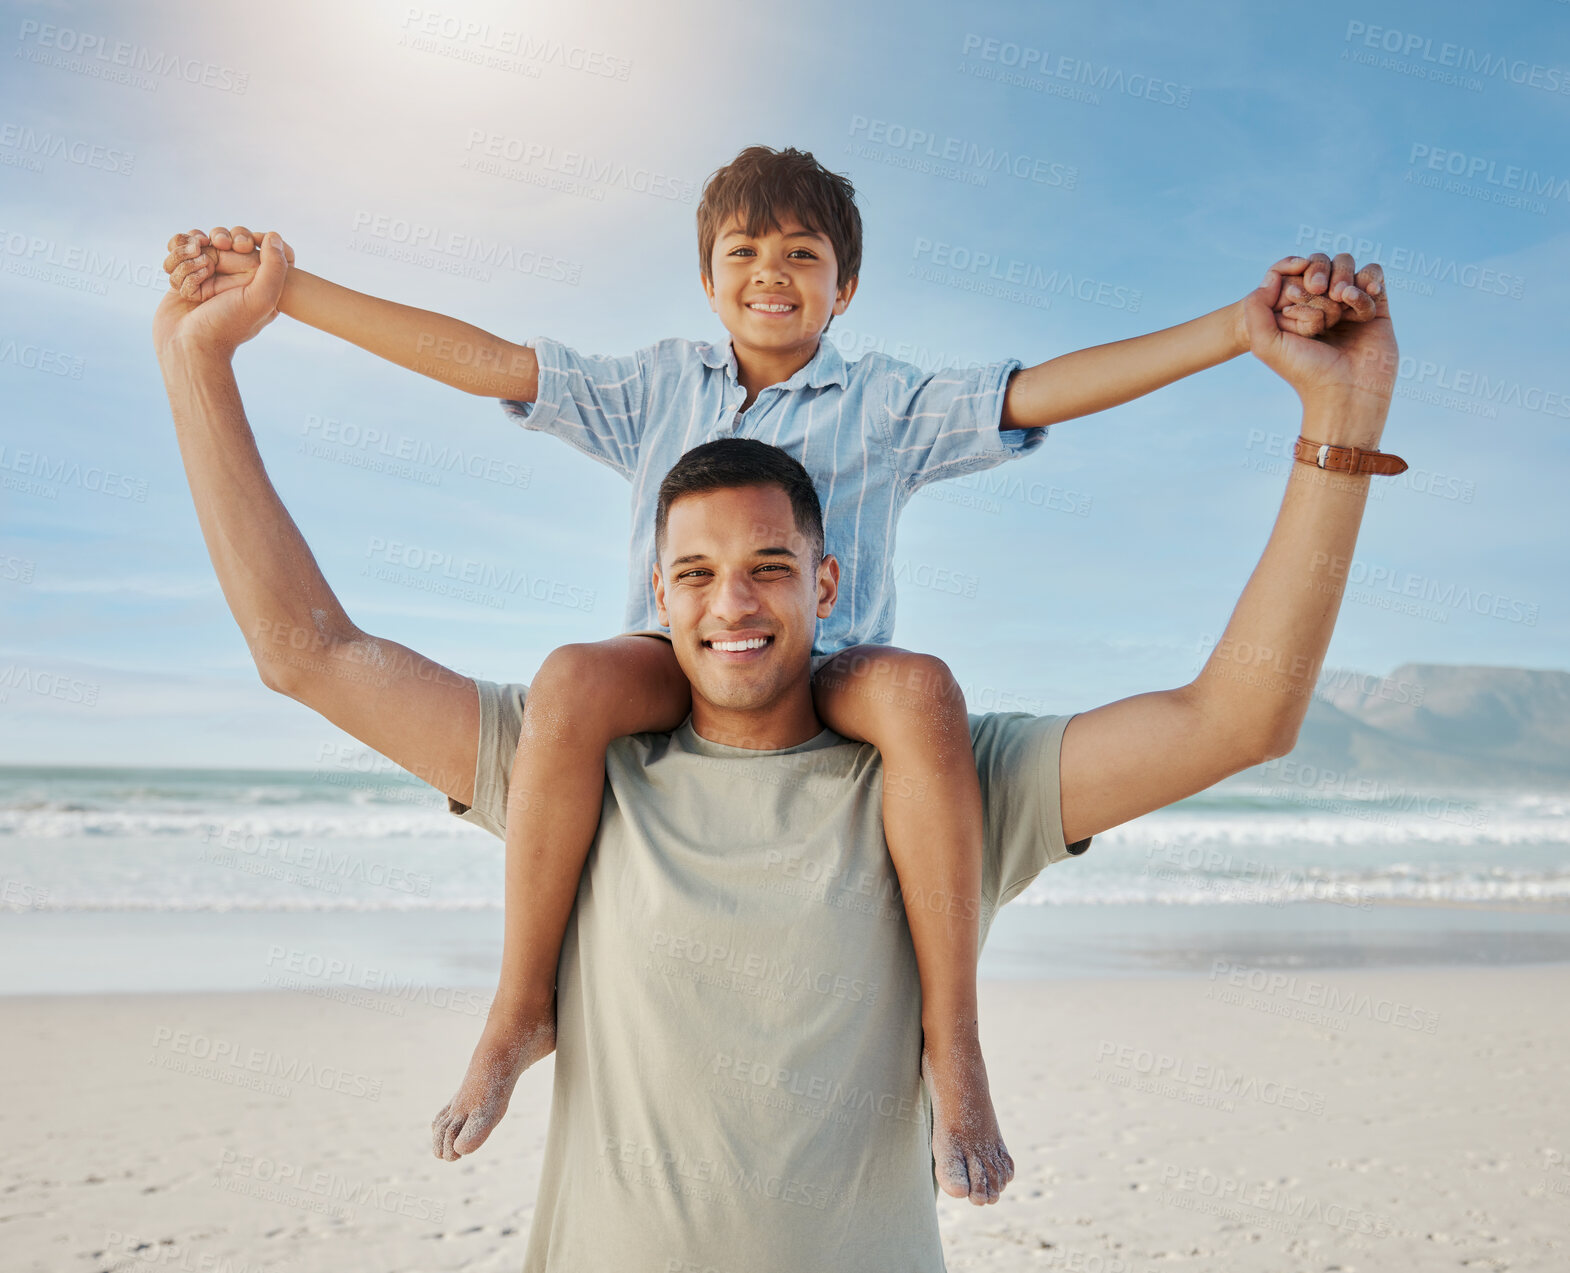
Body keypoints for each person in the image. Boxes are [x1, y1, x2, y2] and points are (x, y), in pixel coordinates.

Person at [153, 226, 1399, 1268]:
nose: (730, 604)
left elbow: (1241, 717)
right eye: (693, 574)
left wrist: (1340, 419)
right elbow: (304, 649)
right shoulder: (571, 771)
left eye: (766, 569)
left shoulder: (943, 786)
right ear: (657, 590)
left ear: (828, 583)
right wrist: (197, 364)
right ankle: (511, 1013)